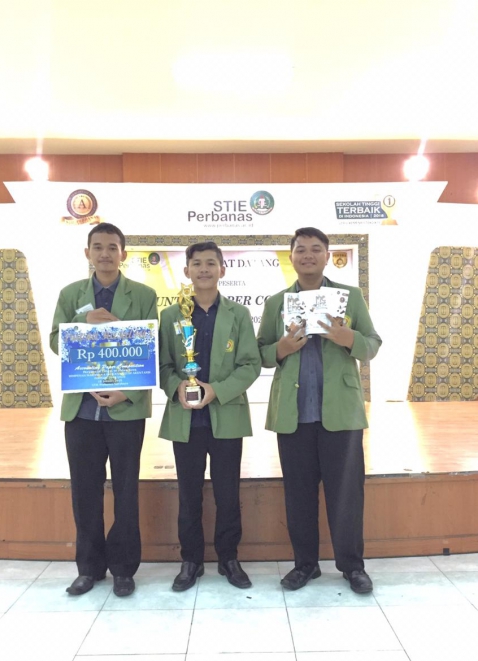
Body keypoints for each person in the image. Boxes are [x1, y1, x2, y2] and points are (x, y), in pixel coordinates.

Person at [257, 227, 382, 594]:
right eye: (301, 249)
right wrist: (281, 348)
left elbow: (372, 345)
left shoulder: (349, 297)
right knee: (298, 494)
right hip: (293, 413)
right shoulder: (276, 303)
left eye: (316, 249)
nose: (308, 255)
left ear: (328, 256)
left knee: (347, 494)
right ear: (291, 257)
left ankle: (352, 566)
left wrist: (347, 338)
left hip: (340, 413)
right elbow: (261, 352)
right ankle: (305, 565)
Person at [50, 222, 157, 597]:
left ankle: (124, 568)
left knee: (126, 492)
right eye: (98, 247)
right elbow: (55, 340)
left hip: (125, 411)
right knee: (84, 492)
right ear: (88, 253)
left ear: (123, 254)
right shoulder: (71, 295)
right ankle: (89, 568)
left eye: (113, 247)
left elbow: (151, 347)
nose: (105, 253)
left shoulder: (143, 295)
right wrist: (82, 321)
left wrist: (127, 393)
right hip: (82, 411)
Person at [159, 241, 261, 592]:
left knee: (228, 494)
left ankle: (229, 558)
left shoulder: (238, 314)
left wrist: (216, 390)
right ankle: (191, 560)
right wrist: (177, 387)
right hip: (185, 418)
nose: (204, 269)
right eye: (197, 263)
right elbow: (163, 364)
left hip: (225, 415)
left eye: (211, 263)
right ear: (186, 270)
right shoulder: (171, 316)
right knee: (188, 494)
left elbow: (250, 364)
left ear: (222, 269)